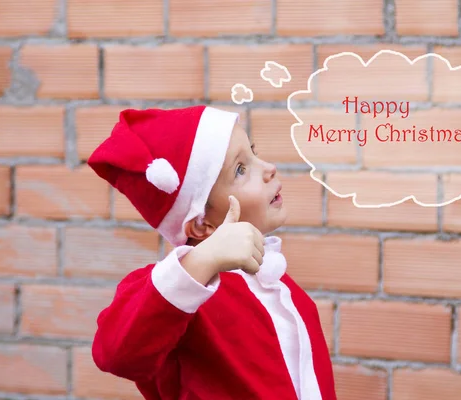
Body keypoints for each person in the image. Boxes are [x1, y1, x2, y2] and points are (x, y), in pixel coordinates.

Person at [87, 105, 337, 400]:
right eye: (241, 169)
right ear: (201, 223)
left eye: (254, 152)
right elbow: (116, 354)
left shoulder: (285, 290)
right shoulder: (179, 298)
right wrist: (204, 259)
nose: (269, 168)